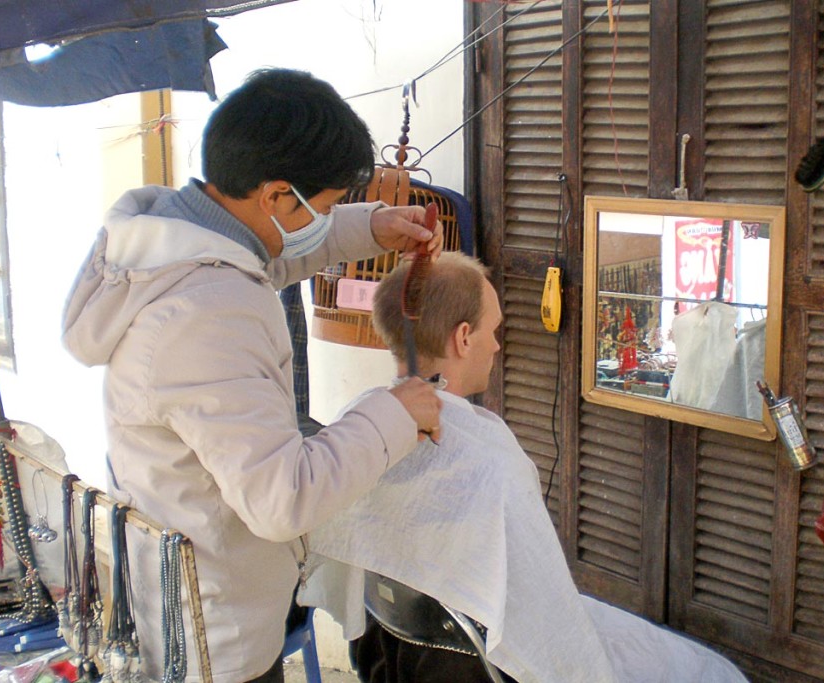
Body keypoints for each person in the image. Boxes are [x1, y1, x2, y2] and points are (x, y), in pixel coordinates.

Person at [60, 68, 443, 683]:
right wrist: (396, 410)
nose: (328, 216)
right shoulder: (205, 315)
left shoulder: (171, 246)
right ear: (275, 195)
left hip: (188, 584)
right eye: (323, 206)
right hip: (214, 637)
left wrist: (368, 227)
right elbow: (282, 499)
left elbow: (266, 253)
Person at [299, 252, 748, 683]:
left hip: (394, 657)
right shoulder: (489, 456)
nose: (496, 344)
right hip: (473, 666)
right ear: (462, 338)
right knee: (705, 671)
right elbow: (551, 623)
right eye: (493, 329)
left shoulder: (359, 424)